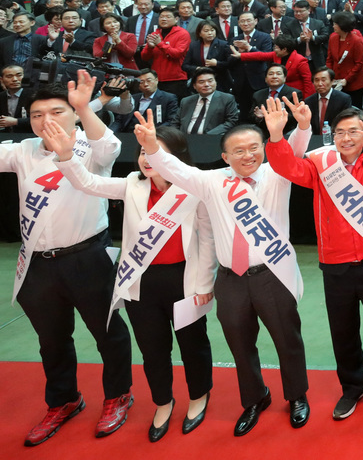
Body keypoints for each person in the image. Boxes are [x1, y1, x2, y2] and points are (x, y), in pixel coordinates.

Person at [136, 104, 313, 437]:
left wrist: (297, 128)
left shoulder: (278, 173)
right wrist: (151, 146)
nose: (248, 156)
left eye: (254, 148)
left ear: (264, 149)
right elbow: (173, 168)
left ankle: (297, 395)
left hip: (273, 274)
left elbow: (295, 152)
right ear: (224, 156)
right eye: (238, 151)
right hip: (231, 279)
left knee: (287, 339)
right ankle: (255, 398)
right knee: (239, 342)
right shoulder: (212, 181)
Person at [47, 121, 216, 442]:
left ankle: (198, 397)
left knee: (193, 346)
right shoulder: (132, 184)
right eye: (143, 150)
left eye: (158, 151)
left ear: (176, 156)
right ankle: (163, 402)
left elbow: (207, 240)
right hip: (141, 282)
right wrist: (67, 157)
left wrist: (204, 285)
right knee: (153, 350)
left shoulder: (194, 188)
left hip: (185, 279)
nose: (147, 157)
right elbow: (87, 183)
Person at [263, 74, 363, 420]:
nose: (347, 138)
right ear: (332, 135)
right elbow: (285, 167)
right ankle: (353, 387)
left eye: (354, 131)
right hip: (335, 263)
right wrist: (276, 134)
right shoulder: (320, 163)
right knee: (342, 332)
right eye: (340, 132)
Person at [9, 73, 134, 446]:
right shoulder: (23, 149)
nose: (46, 120)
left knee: (107, 333)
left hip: (89, 258)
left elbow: (110, 147)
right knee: (51, 339)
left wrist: (84, 105)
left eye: (57, 111)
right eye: (36, 114)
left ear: (74, 113)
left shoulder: (89, 145)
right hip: (37, 263)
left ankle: (118, 395)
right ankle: (64, 400)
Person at [179, 67, 240, 136]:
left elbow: (231, 121)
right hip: (184, 139)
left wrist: (208, 135)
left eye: (210, 81)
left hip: (212, 138)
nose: (206, 85)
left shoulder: (227, 99)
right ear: (194, 86)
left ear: (216, 83)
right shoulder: (186, 101)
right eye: (201, 82)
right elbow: (175, 122)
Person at [329, 11, 363, 106]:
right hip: (336, 82)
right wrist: (330, 76)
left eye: (335, 24)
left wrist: (347, 79)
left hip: (354, 83)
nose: (333, 26)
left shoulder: (356, 41)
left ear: (342, 25)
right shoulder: (333, 38)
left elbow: (359, 63)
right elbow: (329, 59)